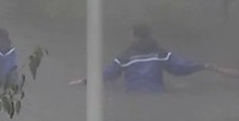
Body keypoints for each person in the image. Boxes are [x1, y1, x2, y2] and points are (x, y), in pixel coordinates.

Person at [69, 24, 223, 93]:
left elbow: (108, 73)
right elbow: (180, 67)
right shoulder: (159, 54)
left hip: (133, 95)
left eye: (131, 35)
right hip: (156, 94)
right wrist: (203, 66)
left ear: (136, 37)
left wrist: (84, 81)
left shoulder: (126, 57)